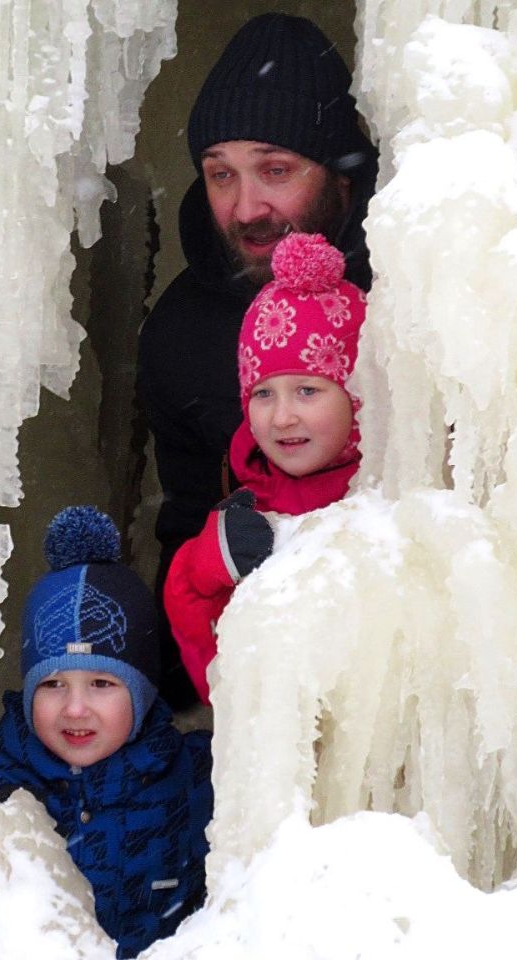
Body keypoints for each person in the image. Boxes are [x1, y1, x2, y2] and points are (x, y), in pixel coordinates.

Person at [137, 12, 377, 709]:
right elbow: (187, 517)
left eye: (275, 170)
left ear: (340, 175)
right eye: (220, 175)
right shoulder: (182, 334)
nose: (247, 208)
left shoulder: (406, 290)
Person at [0, 506, 214, 959]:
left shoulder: (197, 780)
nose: (75, 708)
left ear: (142, 692)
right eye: (52, 684)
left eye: (102, 684)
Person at [163, 231, 366, 703]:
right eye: (263, 394)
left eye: (308, 391)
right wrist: (199, 576)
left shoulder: (387, 497)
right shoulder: (243, 514)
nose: (282, 417)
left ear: (357, 396)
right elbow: (215, 680)